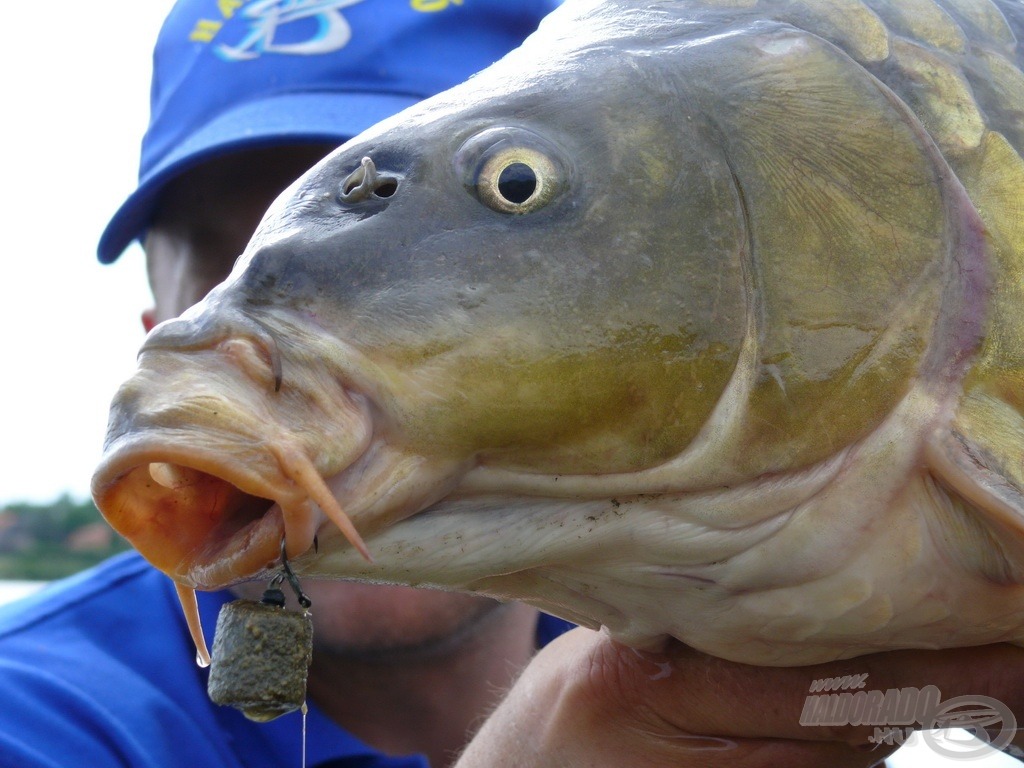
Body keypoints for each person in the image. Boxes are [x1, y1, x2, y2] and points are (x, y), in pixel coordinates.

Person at [0, 2, 1021, 768]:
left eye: (509, 188)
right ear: (159, 330)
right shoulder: (39, 722)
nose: (315, 309)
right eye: (242, 255)